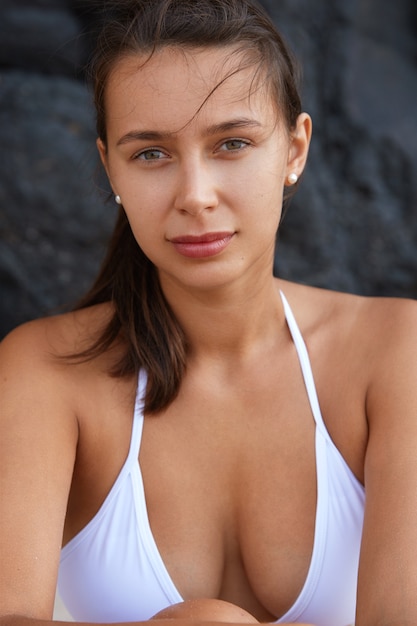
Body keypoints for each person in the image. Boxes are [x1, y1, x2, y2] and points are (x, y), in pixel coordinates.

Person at [1, 1, 417, 625]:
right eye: (150, 154)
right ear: (109, 163)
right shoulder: (44, 370)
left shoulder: (396, 349)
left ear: (295, 150)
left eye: (232, 143)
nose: (195, 195)